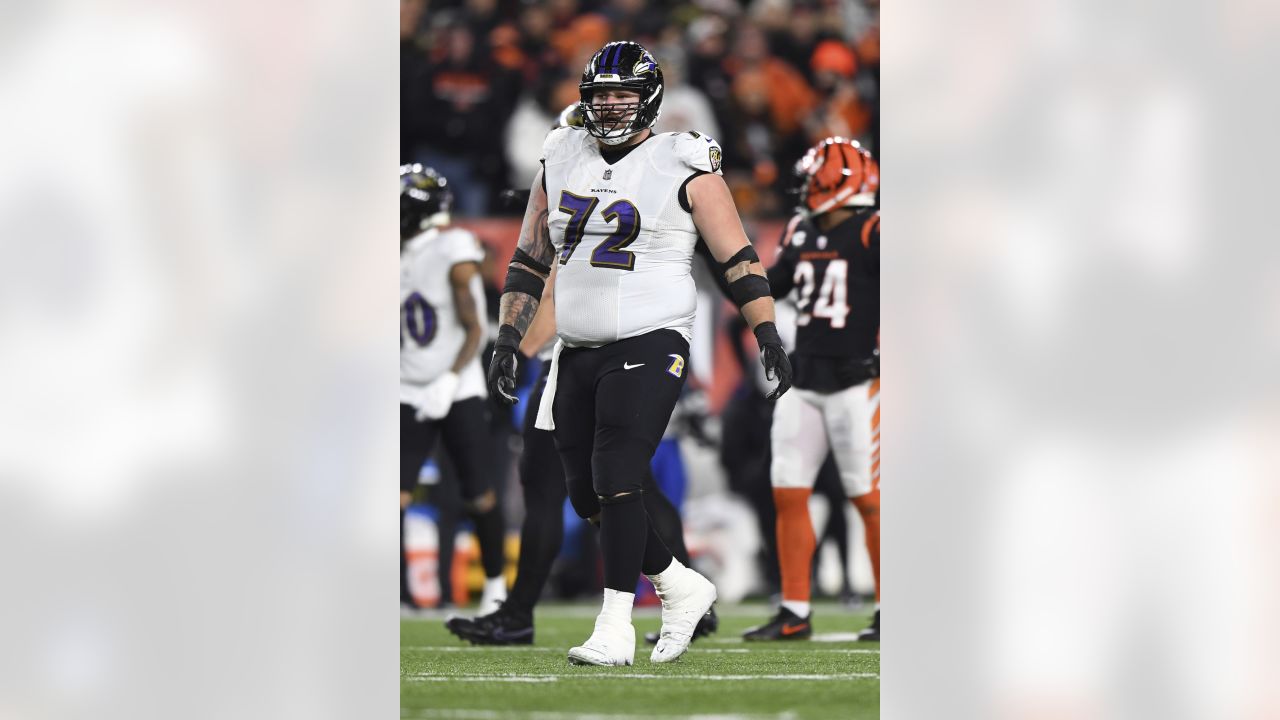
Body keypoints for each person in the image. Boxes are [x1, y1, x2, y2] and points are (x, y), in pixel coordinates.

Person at [487, 41, 792, 666]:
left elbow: (736, 257)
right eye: (601, 95)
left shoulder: (683, 160)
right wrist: (509, 337)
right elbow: (528, 256)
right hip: (578, 342)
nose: (612, 105)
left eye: (624, 94)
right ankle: (681, 585)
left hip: (654, 334)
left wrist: (766, 332)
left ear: (650, 97)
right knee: (586, 495)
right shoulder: (560, 151)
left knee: (620, 478)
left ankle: (615, 626)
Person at [445, 103, 719, 648]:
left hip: (593, 349)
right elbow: (541, 268)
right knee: (606, 484)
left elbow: (553, 290)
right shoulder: (571, 173)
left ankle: (542, 609)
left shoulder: (623, 182)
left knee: (598, 482)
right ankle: (680, 585)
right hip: (583, 350)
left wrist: (520, 350)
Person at [742, 137, 881, 642]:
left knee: (868, 498)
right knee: (787, 491)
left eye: (814, 176)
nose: (804, 187)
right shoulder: (802, 229)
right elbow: (772, 283)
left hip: (858, 381)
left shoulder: (875, 230)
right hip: (804, 380)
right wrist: (728, 262)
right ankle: (794, 608)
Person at [400, 165, 509, 615]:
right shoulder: (395, 254)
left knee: (477, 492)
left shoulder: (453, 246)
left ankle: (497, 586)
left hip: (457, 384)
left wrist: (449, 379)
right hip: (406, 385)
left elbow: (474, 326)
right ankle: (401, 593)